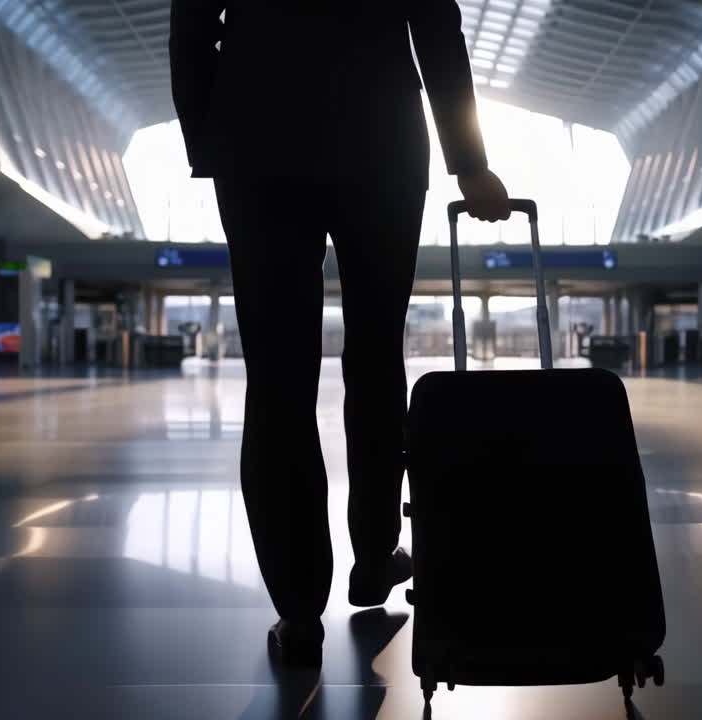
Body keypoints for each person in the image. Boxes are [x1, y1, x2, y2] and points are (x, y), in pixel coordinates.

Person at [170, 0, 511, 667]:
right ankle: (376, 555)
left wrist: (209, 140)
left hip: (258, 140)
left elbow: (191, 25)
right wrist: (469, 162)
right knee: (377, 357)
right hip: (380, 136)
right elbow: (435, 25)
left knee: (278, 379)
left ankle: (299, 609)